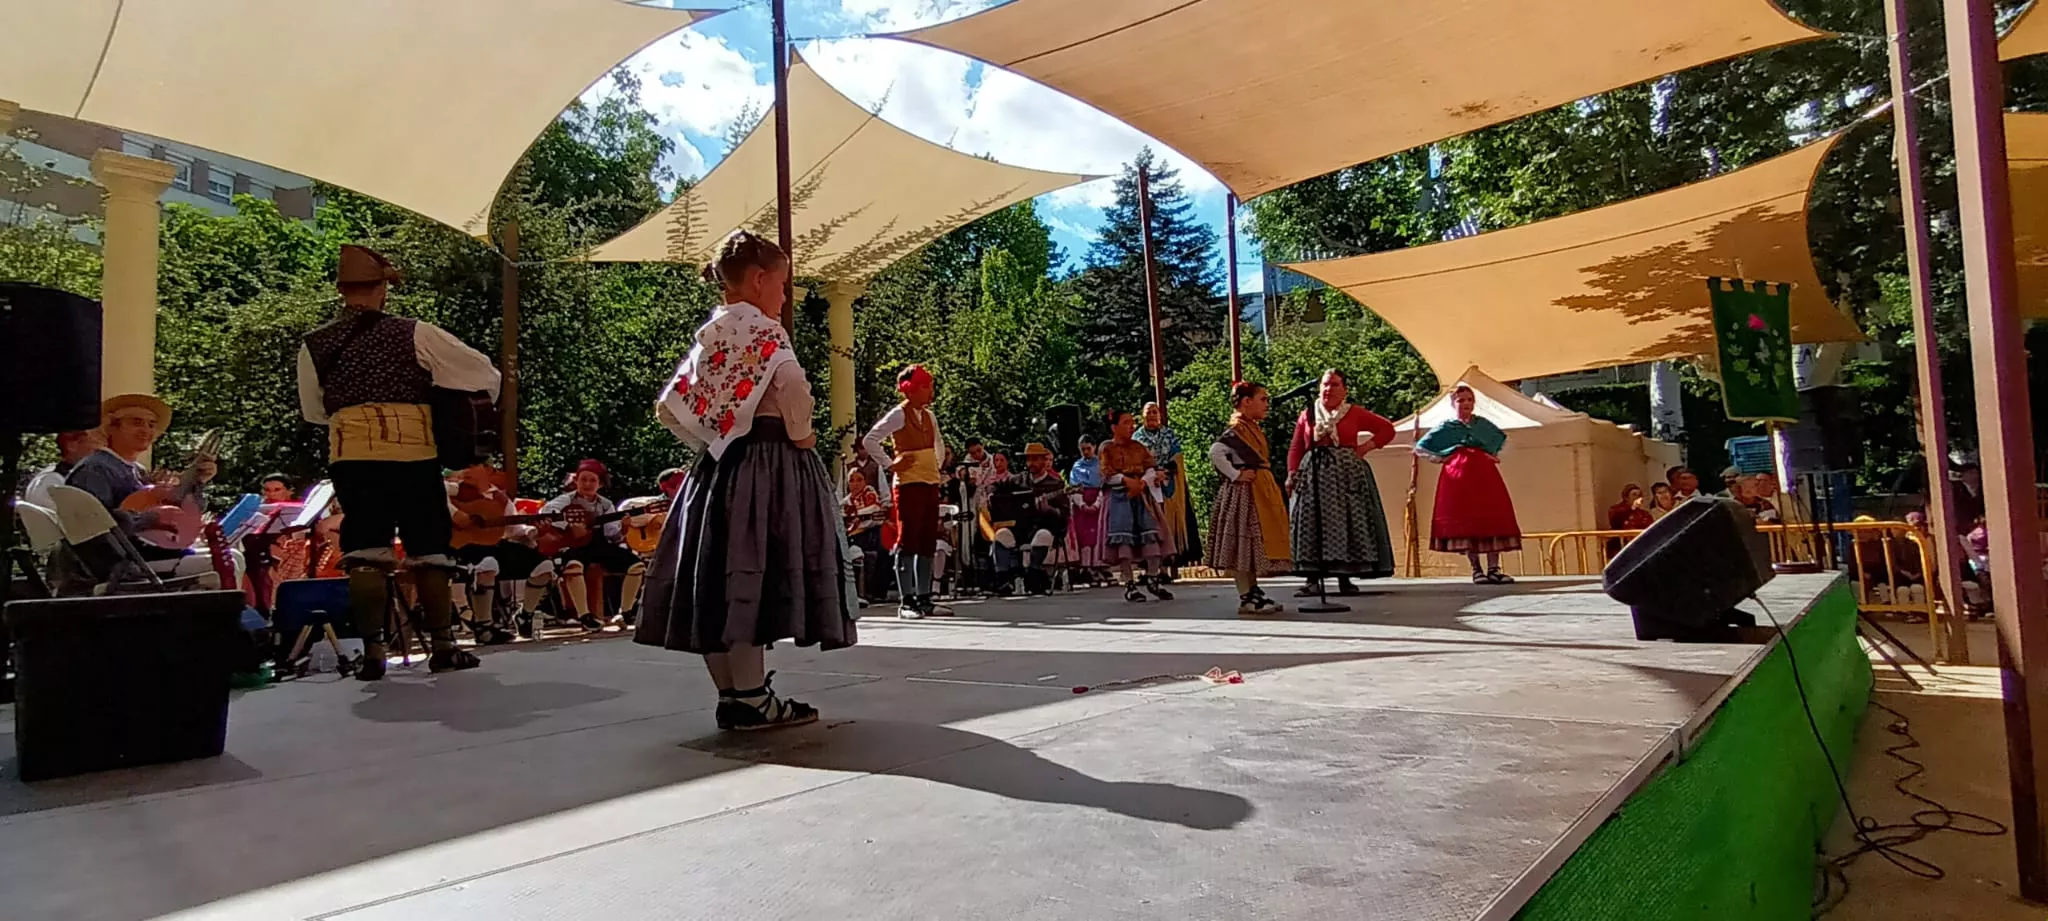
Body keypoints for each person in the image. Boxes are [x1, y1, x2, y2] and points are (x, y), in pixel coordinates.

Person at [638, 229, 854, 731]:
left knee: (713, 577)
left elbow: (673, 406)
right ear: (759, 280)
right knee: (754, 568)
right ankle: (754, 697)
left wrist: (714, 438)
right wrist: (801, 435)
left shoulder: (711, 336)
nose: (784, 296)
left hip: (716, 472)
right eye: (782, 285)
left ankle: (732, 694)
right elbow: (794, 387)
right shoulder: (764, 332)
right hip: (769, 464)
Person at [298, 243, 501, 679]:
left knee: (365, 550)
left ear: (341, 291)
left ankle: (374, 655)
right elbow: (483, 373)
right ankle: (444, 647)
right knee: (429, 547)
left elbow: (315, 411)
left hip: (350, 456)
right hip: (413, 452)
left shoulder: (314, 345)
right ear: (383, 290)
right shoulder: (416, 333)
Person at [1285, 369, 1397, 596]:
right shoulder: (1309, 414)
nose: (1329, 389)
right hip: (1314, 472)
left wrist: (1365, 448)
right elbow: (1297, 446)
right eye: (1325, 384)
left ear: (1344, 390)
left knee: (1347, 521)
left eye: (1335, 384)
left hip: (1346, 474)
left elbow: (1387, 429)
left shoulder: (1353, 413)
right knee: (1310, 522)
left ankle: (1345, 578)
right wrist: (1292, 473)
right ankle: (1312, 578)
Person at [864, 364, 952, 619]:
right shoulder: (898, 415)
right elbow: (871, 439)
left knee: (926, 539)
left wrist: (935, 468)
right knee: (908, 538)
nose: (930, 391)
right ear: (911, 390)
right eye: (925, 386)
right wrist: (891, 465)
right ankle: (907, 601)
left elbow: (939, 444)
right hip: (908, 483)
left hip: (928, 483)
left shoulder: (929, 416)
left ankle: (925, 598)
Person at [1417, 383, 1523, 584]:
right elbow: (1422, 448)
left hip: (1485, 476)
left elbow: (1501, 440)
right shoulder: (1447, 428)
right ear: (1453, 403)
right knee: (1466, 520)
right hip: (1458, 479)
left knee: (1491, 517)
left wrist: (1492, 455)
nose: (1466, 404)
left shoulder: (1482, 424)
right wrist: (1443, 458)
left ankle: (1494, 569)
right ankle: (1476, 569)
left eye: (1469, 400)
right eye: (1461, 400)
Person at [1206, 381, 1291, 616]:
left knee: (1253, 545)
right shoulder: (1238, 430)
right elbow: (1216, 451)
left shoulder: (1250, 427)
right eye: (1262, 399)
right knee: (1243, 543)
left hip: (1257, 489)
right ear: (1246, 402)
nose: (1267, 404)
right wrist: (1236, 475)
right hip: (1244, 492)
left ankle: (1253, 591)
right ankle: (1246, 595)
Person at [448, 464, 553, 644]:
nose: (468, 471)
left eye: (480, 468)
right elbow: (431, 493)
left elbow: (515, 530)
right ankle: (484, 627)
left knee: (543, 565)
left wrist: (535, 531)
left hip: (493, 544)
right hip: (461, 547)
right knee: (487, 563)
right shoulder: (453, 489)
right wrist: (456, 514)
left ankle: (525, 615)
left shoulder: (500, 499)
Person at [538, 459, 646, 632]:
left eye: (592, 480)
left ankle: (624, 612)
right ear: (576, 481)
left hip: (599, 545)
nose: (587, 484)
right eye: (583, 480)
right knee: (573, 565)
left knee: (637, 566)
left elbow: (613, 535)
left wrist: (624, 528)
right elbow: (545, 514)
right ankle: (584, 615)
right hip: (574, 547)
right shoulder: (564, 501)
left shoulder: (605, 505)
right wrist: (570, 527)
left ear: (600, 484)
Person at [1101, 408, 1174, 602]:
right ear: (1114, 427)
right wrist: (1125, 481)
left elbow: (1151, 467)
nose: (1131, 426)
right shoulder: (1107, 448)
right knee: (1123, 538)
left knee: (1151, 533)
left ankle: (1152, 577)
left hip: (1142, 495)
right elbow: (1105, 474)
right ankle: (1129, 584)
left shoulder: (1138, 447)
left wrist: (1142, 482)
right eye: (1126, 423)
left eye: (1132, 422)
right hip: (1119, 497)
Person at [1136, 402, 1198, 578]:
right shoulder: (1137, 438)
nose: (1152, 416)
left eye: (1155, 412)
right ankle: (1151, 569)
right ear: (1142, 416)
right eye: (1148, 413)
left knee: (1169, 525)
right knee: (1151, 525)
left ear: (1160, 415)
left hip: (1168, 484)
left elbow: (1177, 457)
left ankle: (1169, 566)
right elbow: (1135, 461)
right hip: (1147, 485)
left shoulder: (1169, 435)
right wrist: (1152, 473)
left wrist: (1166, 472)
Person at [22, 429, 104, 510]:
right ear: (72, 446)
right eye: (92, 442)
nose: (97, 448)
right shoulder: (55, 482)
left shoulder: (46, 477)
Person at [842, 469, 889, 603]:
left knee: (881, 550)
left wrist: (854, 515)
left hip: (871, 533)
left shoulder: (870, 493)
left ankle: (876, 591)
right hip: (854, 535)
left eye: (859, 480)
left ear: (865, 481)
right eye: (851, 480)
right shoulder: (847, 500)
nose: (855, 484)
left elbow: (872, 510)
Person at [1067, 438, 1106, 579]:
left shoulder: (1101, 465)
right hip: (1082, 506)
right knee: (1084, 536)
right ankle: (1085, 567)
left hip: (1098, 502)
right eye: (1082, 449)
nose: (1086, 452)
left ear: (1094, 447)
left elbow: (1104, 485)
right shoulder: (1077, 466)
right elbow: (1074, 488)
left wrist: (1097, 504)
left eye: (1088, 448)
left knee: (1097, 535)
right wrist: (1082, 504)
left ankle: (1099, 565)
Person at [1605, 483, 1653, 558]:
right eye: (1634, 494)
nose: (1637, 497)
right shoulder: (1615, 510)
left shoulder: (1644, 514)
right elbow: (1615, 523)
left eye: (1639, 495)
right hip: (1621, 546)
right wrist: (1632, 507)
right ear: (1626, 497)